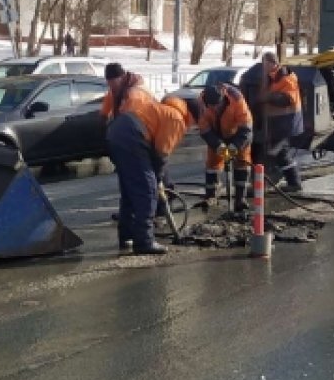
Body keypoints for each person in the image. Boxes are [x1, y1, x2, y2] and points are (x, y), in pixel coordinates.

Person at [103, 64, 192, 254]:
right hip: (132, 136)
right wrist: (157, 178)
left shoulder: (161, 110)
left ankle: (126, 235)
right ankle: (144, 241)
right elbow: (160, 154)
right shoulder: (177, 119)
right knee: (147, 192)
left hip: (117, 132)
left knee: (129, 192)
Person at [197, 83, 254, 211]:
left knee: (242, 162)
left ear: (223, 98)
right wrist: (219, 146)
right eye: (211, 106)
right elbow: (204, 129)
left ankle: (240, 198)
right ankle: (211, 195)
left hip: (238, 134)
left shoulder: (237, 99)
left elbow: (246, 128)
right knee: (213, 164)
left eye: (217, 105)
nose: (215, 108)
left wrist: (234, 148)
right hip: (216, 135)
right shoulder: (201, 102)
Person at [256, 51, 305, 192]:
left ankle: (293, 183)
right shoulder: (270, 77)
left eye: (266, 64)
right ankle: (287, 181)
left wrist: (268, 97)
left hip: (288, 123)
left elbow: (287, 99)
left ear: (274, 63)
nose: (264, 67)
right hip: (278, 124)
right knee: (277, 153)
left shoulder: (286, 78)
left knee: (278, 152)